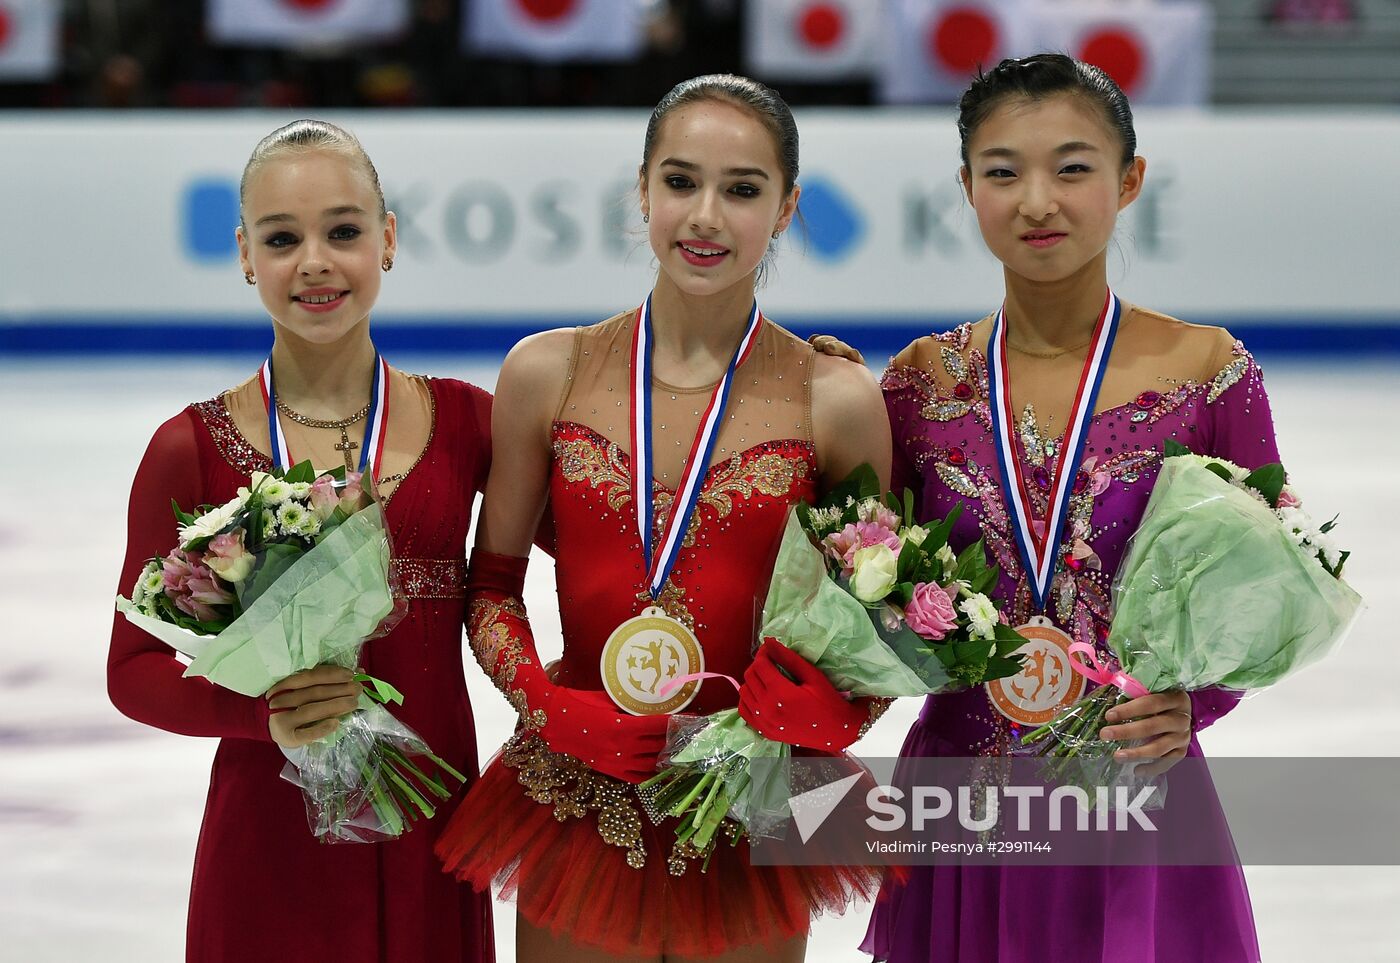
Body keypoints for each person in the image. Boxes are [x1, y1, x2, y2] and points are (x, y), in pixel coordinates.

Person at [435, 74, 892, 962]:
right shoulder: (548, 372)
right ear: (641, 190)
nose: (706, 216)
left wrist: (835, 719)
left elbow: (872, 623)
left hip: (757, 793)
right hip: (578, 785)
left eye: (743, 189)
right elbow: (489, 585)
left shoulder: (834, 399)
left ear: (787, 207)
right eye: (680, 182)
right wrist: (550, 708)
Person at [862, 54, 1274, 963]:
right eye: (1003, 172)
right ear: (966, 187)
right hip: (963, 797)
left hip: (1137, 785)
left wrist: (1194, 702)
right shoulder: (918, 383)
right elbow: (874, 585)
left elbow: (1262, 591)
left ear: (1129, 180)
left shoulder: (1209, 371)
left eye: (1072, 168)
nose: (1036, 200)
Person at [107, 120, 494, 963]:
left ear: (387, 239)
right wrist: (260, 712)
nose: (314, 261)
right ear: (246, 254)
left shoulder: (470, 423)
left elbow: (610, 532)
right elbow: (131, 671)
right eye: (283, 239)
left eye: (344, 232)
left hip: (434, 829)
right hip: (271, 852)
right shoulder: (192, 446)